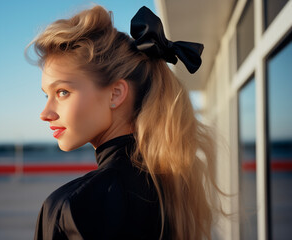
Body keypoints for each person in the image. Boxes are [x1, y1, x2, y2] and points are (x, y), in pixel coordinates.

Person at [26, 5, 226, 240]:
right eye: (46, 95)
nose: (45, 113)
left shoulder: (70, 209)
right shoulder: (174, 188)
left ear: (115, 94)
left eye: (62, 92)